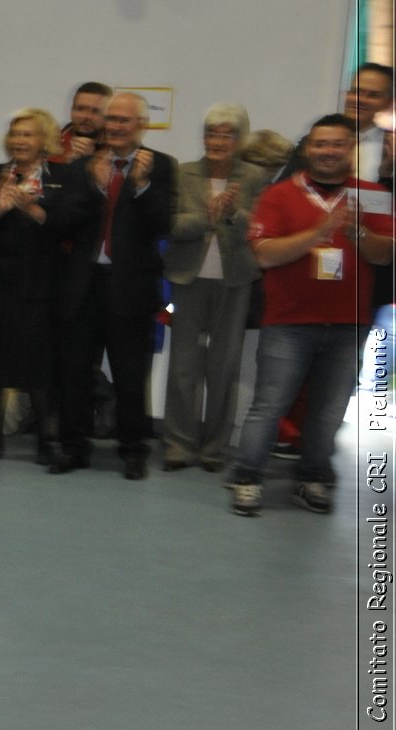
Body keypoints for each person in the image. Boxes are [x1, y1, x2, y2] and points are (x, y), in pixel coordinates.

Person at [229, 113, 393, 516]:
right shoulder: (279, 195)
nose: (329, 152)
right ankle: (247, 478)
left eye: (338, 144)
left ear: (351, 149)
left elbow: (385, 253)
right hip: (288, 323)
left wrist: (357, 232)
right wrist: (317, 234)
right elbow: (264, 254)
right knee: (270, 404)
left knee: (329, 408)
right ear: (308, 149)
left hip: (349, 322)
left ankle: (313, 478)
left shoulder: (372, 195)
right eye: (321, 144)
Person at [50, 92, 175, 479]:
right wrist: (97, 188)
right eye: (112, 119)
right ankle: (73, 446)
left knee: (129, 374)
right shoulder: (83, 167)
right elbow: (60, 224)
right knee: (74, 372)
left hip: (130, 288)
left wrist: (139, 186)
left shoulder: (161, 166)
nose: (117, 126)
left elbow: (163, 224)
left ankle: (133, 450)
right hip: (83, 286)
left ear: (141, 125)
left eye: (125, 120)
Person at [161, 103, 268, 473]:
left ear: (240, 140)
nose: (218, 140)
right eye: (211, 132)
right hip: (188, 279)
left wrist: (231, 213)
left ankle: (215, 448)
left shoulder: (254, 177)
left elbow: (260, 229)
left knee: (224, 366)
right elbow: (170, 225)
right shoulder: (184, 173)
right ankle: (178, 443)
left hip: (234, 280)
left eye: (227, 134)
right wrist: (203, 217)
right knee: (183, 367)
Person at [0, 108, 66, 464]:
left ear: (44, 141)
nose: (19, 141)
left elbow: (68, 228)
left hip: (39, 286)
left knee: (37, 367)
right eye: (15, 134)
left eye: (28, 134)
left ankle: (44, 440)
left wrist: (36, 211)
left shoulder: (58, 177)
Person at [53, 81, 112, 163]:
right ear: (71, 110)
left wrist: (91, 160)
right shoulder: (50, 146)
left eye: (95, 111)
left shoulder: (119, 148)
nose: (87, 117)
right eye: (81, 109)